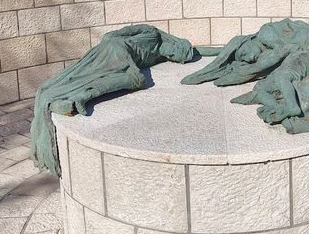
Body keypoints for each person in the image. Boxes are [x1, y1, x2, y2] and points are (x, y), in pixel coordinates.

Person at [30, 25, 194, 176]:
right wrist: (117, 47)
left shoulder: (158, 55)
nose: (172, 54)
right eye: (176, 50)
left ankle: (76, 98)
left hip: (119, 57)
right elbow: (111, 35)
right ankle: (80, 95)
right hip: (115, 50)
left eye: (175, 57)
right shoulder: (151, 33)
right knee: (136, 78)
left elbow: (200, 52)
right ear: (173, 41)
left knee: (123, 78)